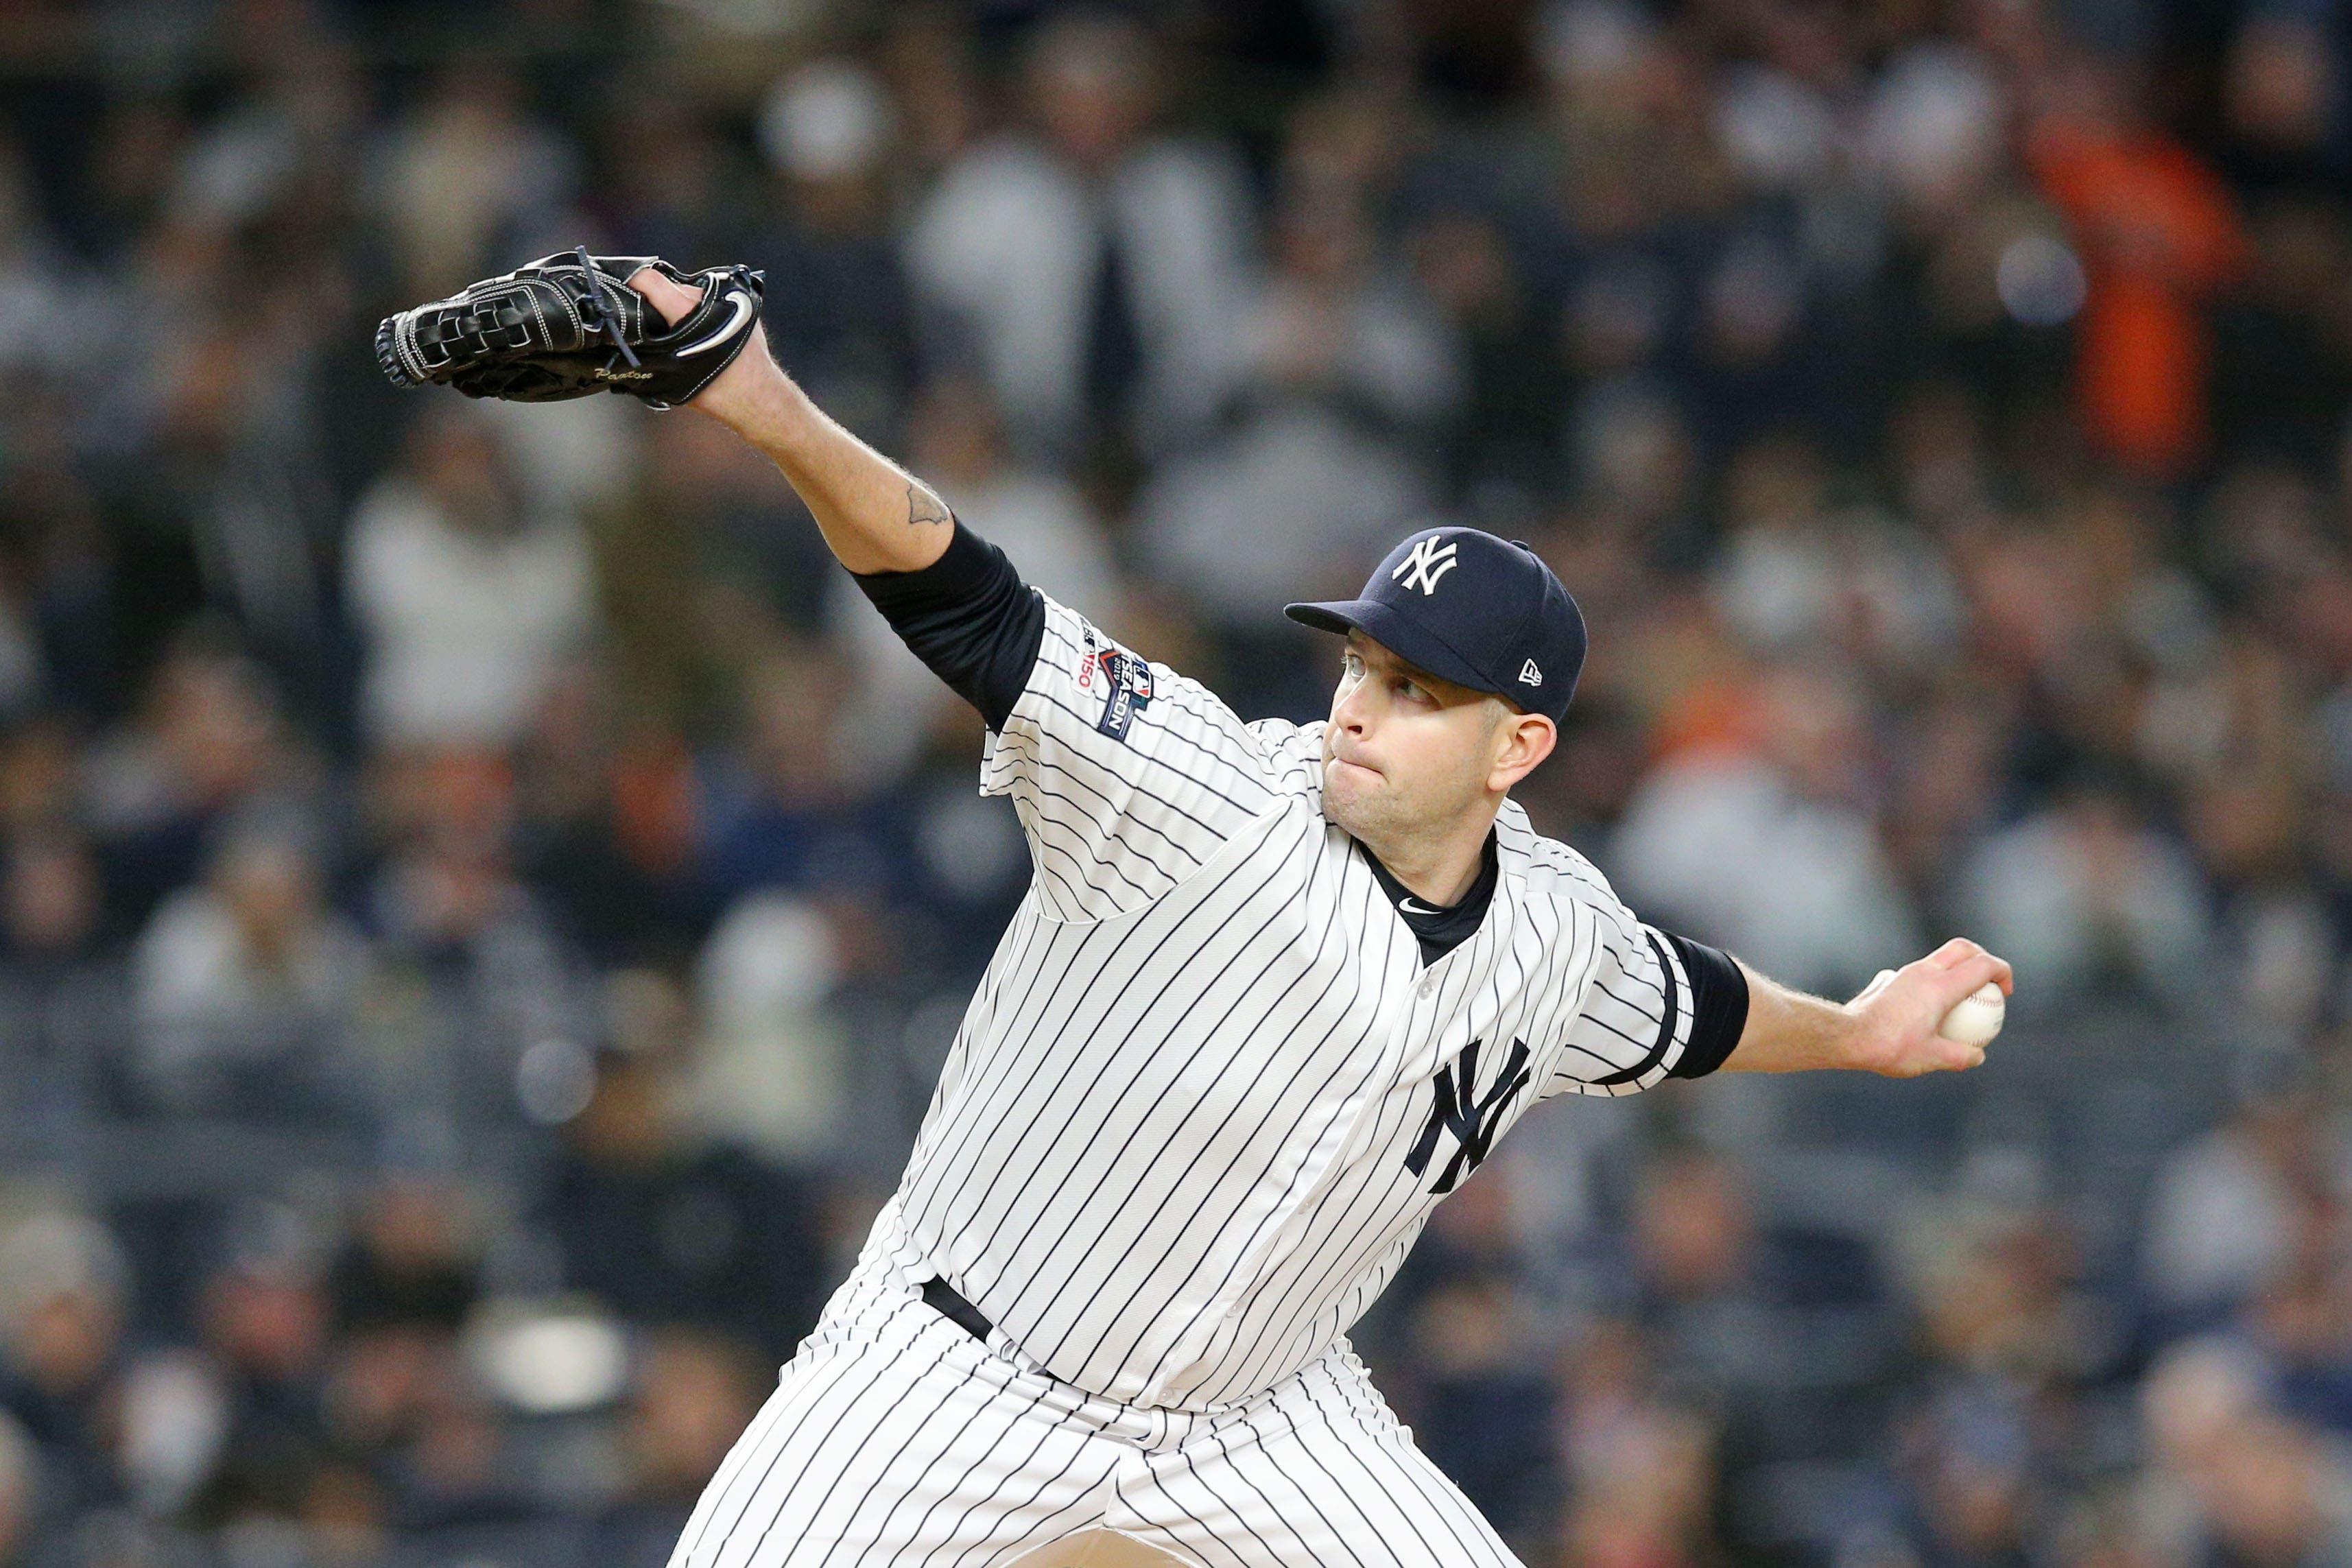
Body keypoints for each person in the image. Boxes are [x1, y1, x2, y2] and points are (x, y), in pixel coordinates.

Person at [571, 263, 2012, 1567]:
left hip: (1260, 1424)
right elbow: (969, 601)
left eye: (1418, 692)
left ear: (1519, 750)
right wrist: (760, 403)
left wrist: (1854, 1031)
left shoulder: (1554, 936)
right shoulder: (1198, 787)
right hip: (959, 1367)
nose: (1360, 710)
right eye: (1362, 666)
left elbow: (1687, 1010)